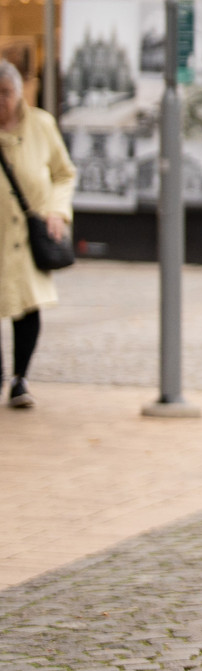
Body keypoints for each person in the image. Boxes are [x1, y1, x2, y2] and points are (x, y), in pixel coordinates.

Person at [0, 63, 74, 410]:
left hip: (28, 235)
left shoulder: (41, 125)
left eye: (6, 93)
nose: (0, 101)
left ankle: (20, 378)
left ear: (19, 95)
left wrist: (58, 212)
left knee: (27, 307)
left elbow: (64, 173)